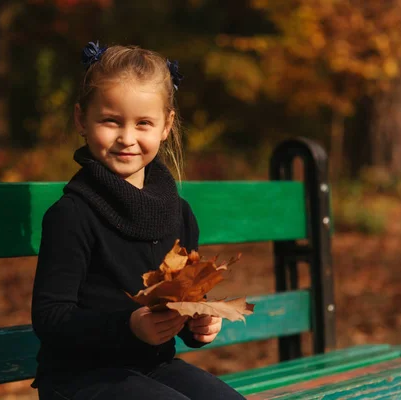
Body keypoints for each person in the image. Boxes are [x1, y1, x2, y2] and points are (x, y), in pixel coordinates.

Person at [31, 41, 245, 399]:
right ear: (82, 119)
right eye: (111, 121)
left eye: (143, 123)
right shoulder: (72, 215)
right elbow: (50, 318)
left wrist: (198, 322)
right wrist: (128, 326)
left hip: (152, 367)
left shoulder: (178, 213)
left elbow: (179, 298)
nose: (126, 139)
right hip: (77, 378)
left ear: (166, 125)